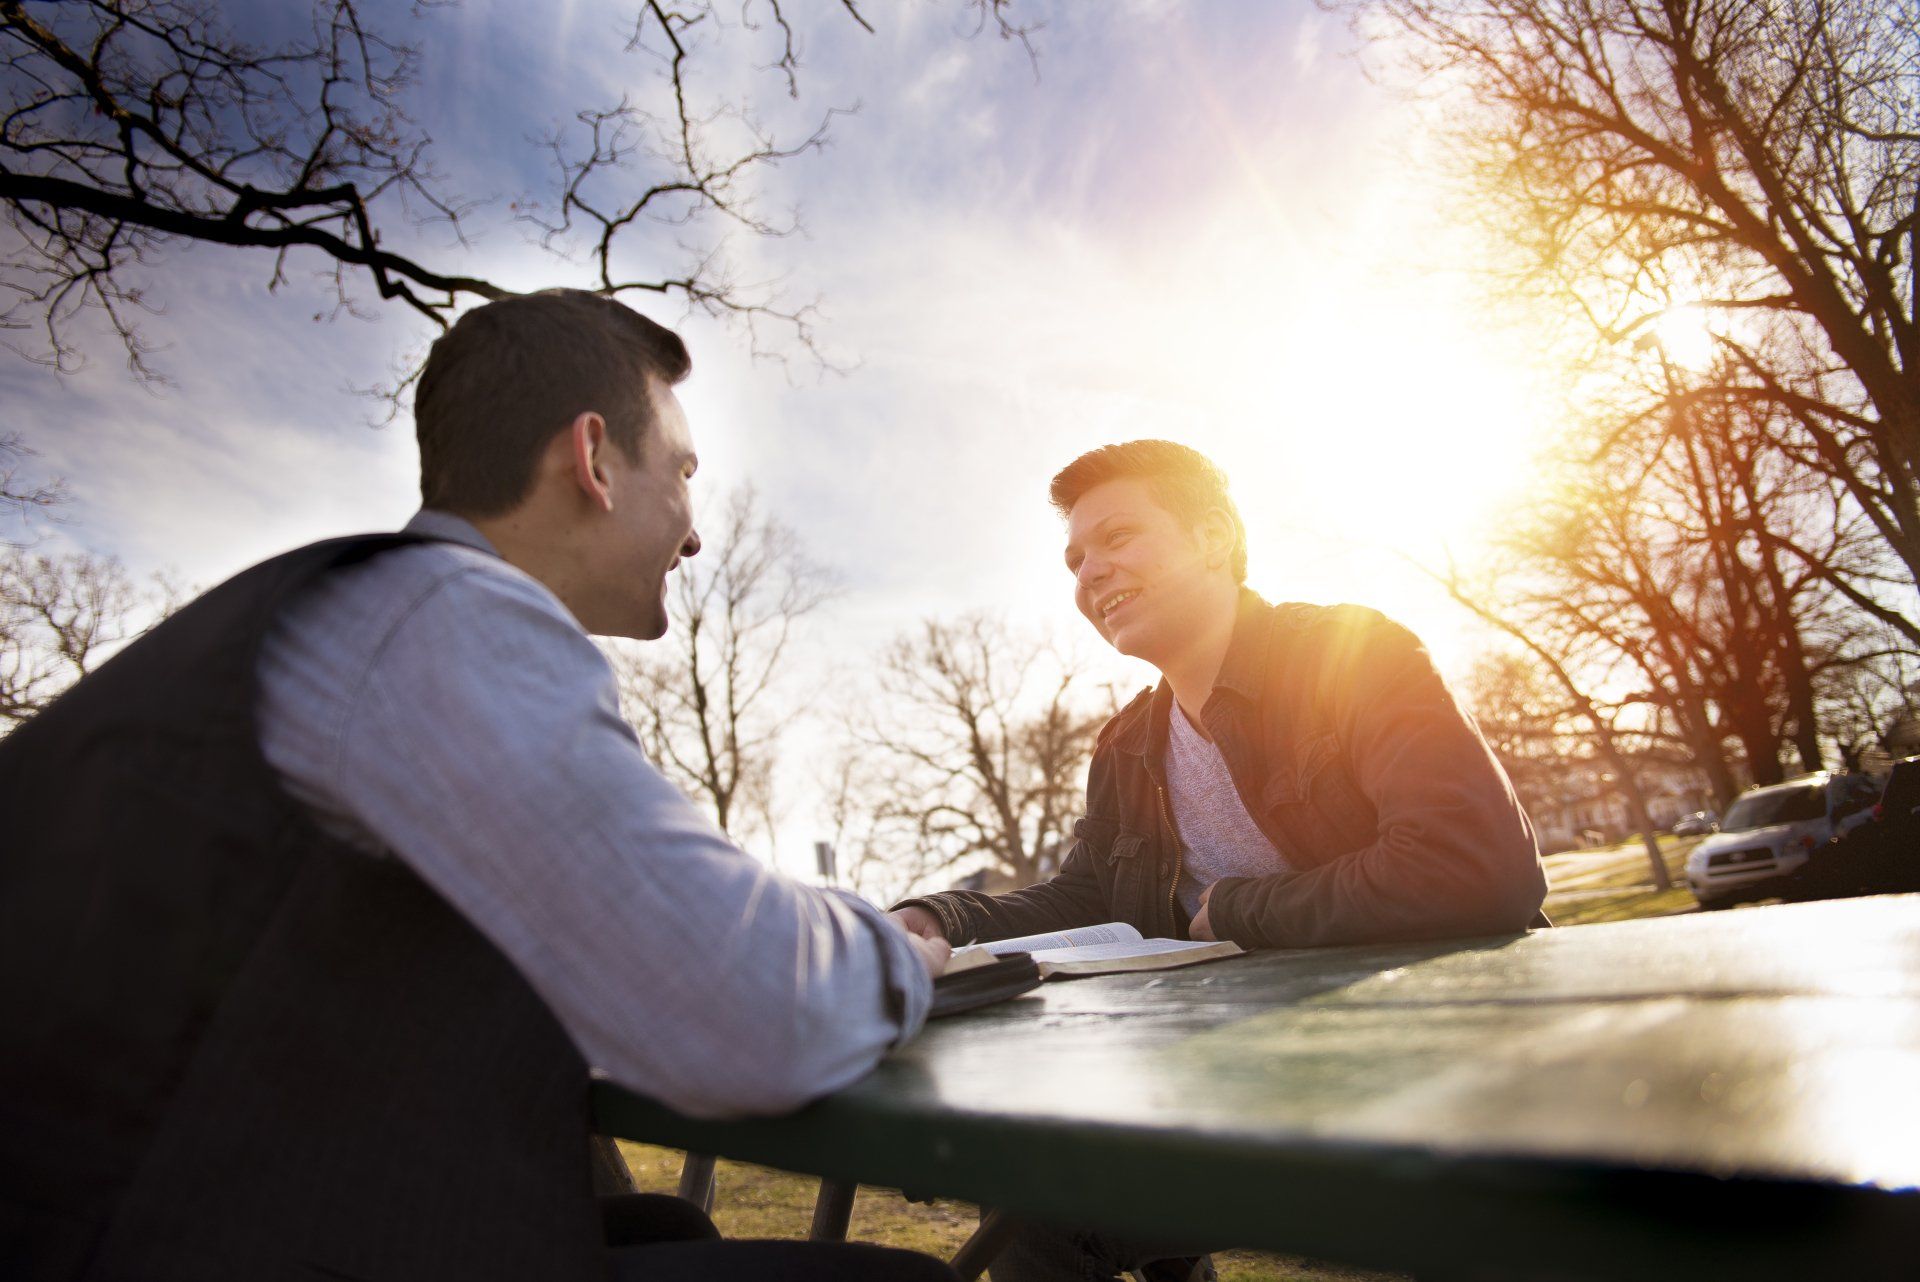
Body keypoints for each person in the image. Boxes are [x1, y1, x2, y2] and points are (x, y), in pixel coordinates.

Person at [0, 290, 954, 1282]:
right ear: (592, 459)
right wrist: (902, 950)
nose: (694, 533)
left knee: (666, 1227)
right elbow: (754, 1012)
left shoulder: (326, 622)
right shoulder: (443, 618)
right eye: (679, 472)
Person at [891, 440, 1548, 1282]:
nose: (1091, 572)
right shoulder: (1127, 742)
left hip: (1446, 1077)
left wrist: (1241, 909)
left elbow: (1475, 864)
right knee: (1034, 1208)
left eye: (1118, 536)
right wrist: (942, 917)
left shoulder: (1354, 653)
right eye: (1076, 558)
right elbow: (1088, 897)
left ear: (1212, 536)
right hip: (1241, 1089)